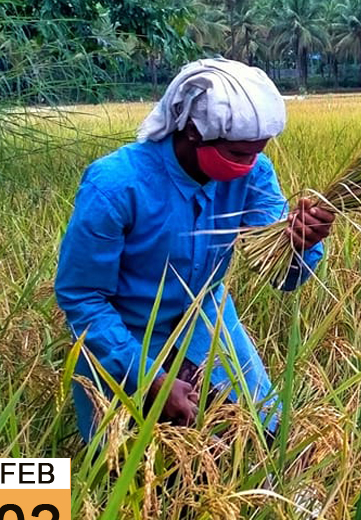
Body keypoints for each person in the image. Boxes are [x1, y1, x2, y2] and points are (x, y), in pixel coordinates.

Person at [55, 59, 335, 443]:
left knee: (266, 439)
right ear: (191, 130)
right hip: (126, 333)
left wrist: (302, 243)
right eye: (236, 154)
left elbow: (283, 277)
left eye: (256, 153)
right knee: (122, 468)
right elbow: (82, 297)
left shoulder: (255, 172)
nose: (247, 165)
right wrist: (149, 376)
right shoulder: (116, 186)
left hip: (206, 321)